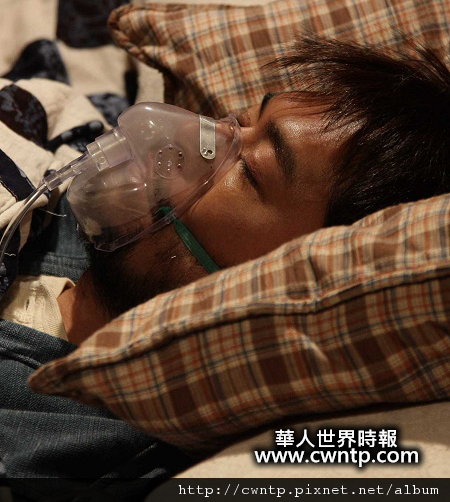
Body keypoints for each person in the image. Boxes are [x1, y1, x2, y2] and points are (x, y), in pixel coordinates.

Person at [1, 34, 450, 498]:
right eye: (239, 121)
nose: (168, 134)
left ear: (292, 272)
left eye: (250, 171)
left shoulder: (70, 456)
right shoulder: (50, 172)